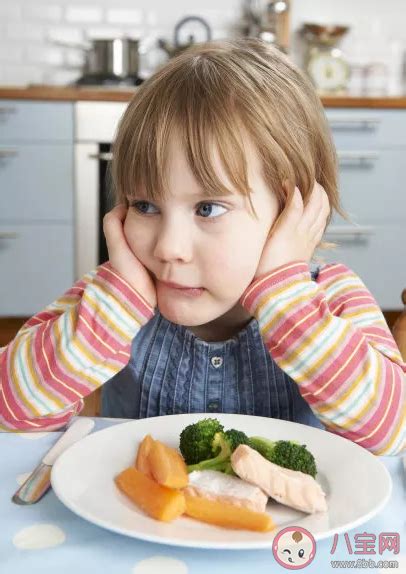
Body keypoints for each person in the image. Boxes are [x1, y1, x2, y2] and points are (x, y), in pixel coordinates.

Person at [0, 39, 404, 456]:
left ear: (291, 211)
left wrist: (286, 301)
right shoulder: (110, 300)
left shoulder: (332, 297)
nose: (168, 248)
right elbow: (11, 411)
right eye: (145, 205)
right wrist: (113, 310)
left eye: (208, 208)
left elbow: (392, 434)